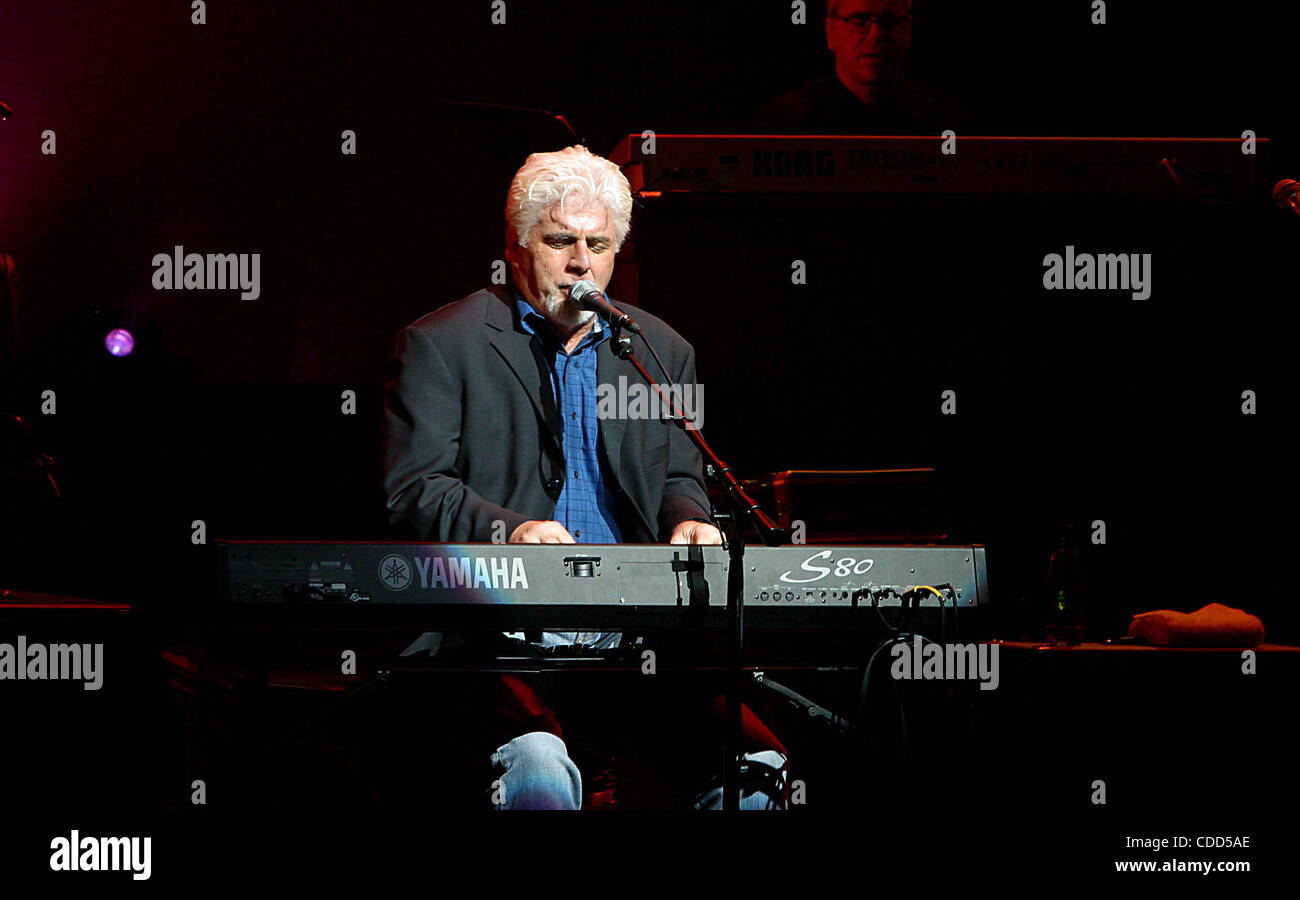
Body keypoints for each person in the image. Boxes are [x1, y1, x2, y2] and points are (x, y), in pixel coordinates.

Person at [382, 145, 787, 809]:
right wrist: (513, 532)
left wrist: (688, 517)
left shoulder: (658, 349)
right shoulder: (440, 343)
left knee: (761, 766)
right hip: (500, 639)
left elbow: (678, 476)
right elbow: (414, 489)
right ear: (515, 246)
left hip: (634, 641)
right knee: (538, 770)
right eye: (560, 240)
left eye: (598, 244)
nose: (580, 263)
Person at [754, 0, 967, 134]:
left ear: (908, 30)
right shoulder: (784, 123)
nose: (876, 35)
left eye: (889, 20)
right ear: (830, 32)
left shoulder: (943, 120)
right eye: (859, 20)